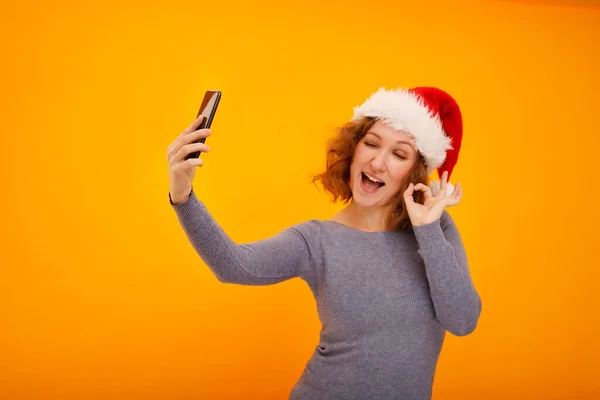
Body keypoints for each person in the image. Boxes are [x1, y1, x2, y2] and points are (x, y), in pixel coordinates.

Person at [166, 86, 482, 400]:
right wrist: (183, 195)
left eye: (398, 154)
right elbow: (232, 265)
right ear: (353, 149)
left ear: (414, 172)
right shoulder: (316, 241)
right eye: (371, 144)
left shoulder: (435, 229)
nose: (377, 163)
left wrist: (426, 229)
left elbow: (462, 320)